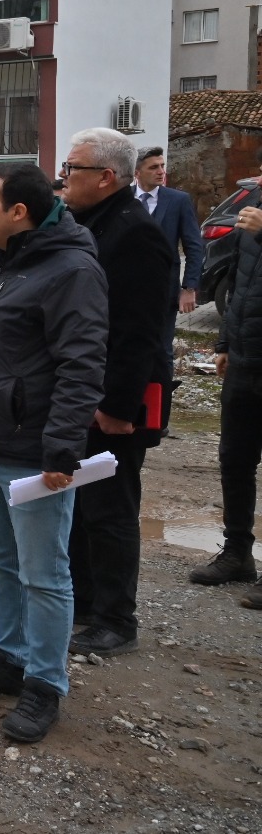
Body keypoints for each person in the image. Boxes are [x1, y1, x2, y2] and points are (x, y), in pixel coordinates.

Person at [0, 162, 108, 744]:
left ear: (18, 212)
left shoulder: (72, 270)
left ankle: (45, 683)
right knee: (0, 558)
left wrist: (62, 449)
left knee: (45, 574)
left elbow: (82, 365)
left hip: (35, 455)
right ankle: (10, 657)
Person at [59, 128, 176, 658]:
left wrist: (117, 406)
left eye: (72, 169)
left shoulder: (135, 233)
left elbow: (139, 331)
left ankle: (115, 619)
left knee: (110, 508)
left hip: (115, 400)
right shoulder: (87, 223)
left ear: (105, 177)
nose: (64, 178)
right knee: (80, 504)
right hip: (82, 391)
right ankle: (83, 603)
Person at [190, 199, 262, 609]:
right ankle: (237, 553)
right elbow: (237, 281)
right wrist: (223, 343)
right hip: (244, 359)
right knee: (235, 459)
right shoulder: (250, 221)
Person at [133, 145, 204, 357]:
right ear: (137, 172)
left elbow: (194, 246)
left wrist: (189, 288)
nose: (161, 172)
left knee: (162, 350)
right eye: (154, 167)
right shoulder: (123, 199)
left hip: (165, 288)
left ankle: (163, 390)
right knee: (130, 347)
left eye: (162, 166)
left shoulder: (178, 200)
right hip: (128, 289)